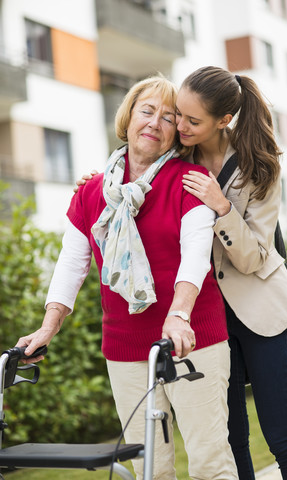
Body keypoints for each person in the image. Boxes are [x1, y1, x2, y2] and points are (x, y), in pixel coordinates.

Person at [76, 66, 287, 480]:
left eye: (192, 120)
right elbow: (138, 178)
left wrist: (222, 208)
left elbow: (256, 259)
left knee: (284, 436)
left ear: (223, 121)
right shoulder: (179, 157)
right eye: (178, 116)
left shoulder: (259, 166)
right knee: (230, 440)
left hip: (262, 313)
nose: (179, 126)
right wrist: (101, 183)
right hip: (209, 322)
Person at [16, 75, 239, 480]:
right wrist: (48, 327)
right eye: (147, 111)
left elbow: (195, 258)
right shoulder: (92, 192)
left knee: (209, 461)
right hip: (125, 345)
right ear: (129, 117)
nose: (155, 123)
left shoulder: (189, 183)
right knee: (149, 465)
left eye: (169, 118)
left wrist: (179, 315)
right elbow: (72, 263)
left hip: (193, 338)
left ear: (178, 133)